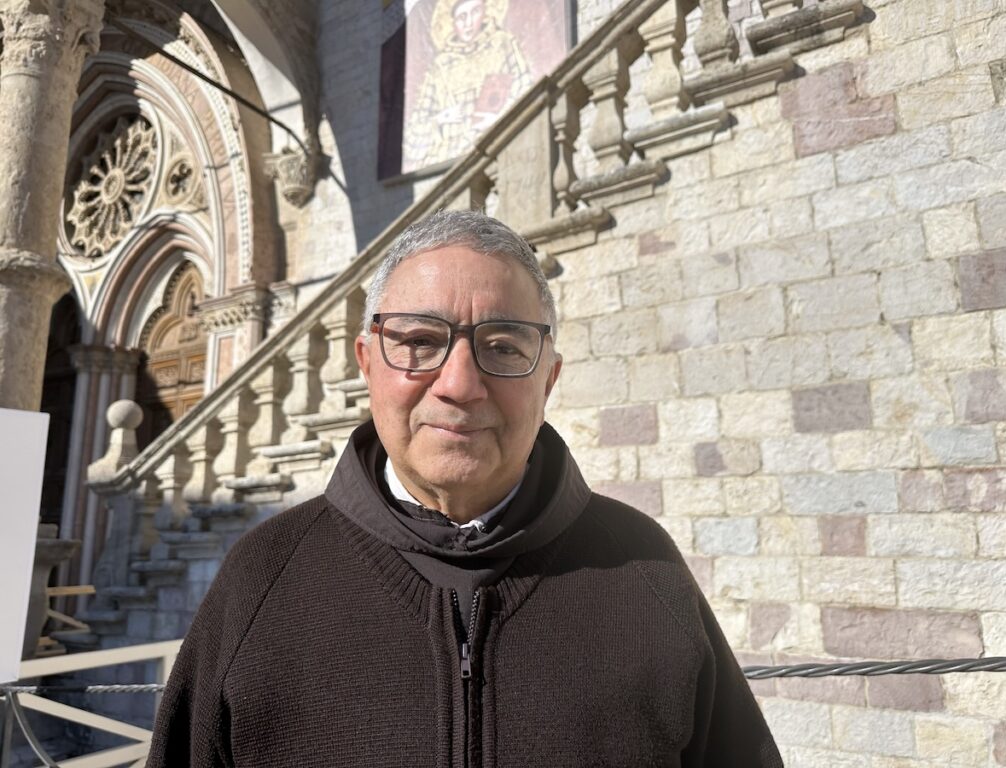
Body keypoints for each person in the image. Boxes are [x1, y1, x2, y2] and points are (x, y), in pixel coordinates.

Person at [147, 210, 783, 767]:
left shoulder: (644, 569)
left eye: (503, 347)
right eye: (420, 341)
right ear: (367, 363)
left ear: (549, 380)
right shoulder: (263, 577)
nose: (458, 384)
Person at [403, 0, 532, 170]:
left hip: (498, 142)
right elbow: (412, 138)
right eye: (462, 17)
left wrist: (499, 118)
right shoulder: (440, 67)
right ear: (452, 22)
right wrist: (441, 118)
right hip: (451, 160)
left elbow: (525, 87)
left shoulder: (502, 44)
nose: (468, 23)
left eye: (475, 12)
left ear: (485, 12)